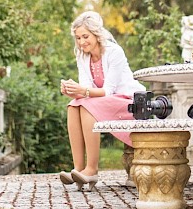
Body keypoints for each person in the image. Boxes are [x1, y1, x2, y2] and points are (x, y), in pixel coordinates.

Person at [58, 11, 144, 190]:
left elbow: (108, 90)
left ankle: (92, 170)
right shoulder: (83, 56)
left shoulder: (114, 52)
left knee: (87, 105)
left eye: (85, 36)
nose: (82, 42)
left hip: (127, 99)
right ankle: (79, 168)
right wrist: (72, 92)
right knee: (73, 106)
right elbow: (86, 88)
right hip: (103, 100)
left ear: (96, 34)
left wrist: (83, 92)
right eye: (78, 38)